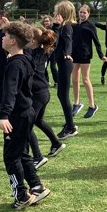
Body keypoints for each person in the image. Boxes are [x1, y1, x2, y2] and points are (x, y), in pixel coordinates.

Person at [0, 21, 50, 210]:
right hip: (27, 112)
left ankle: (21, 194)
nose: (2, 38)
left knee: (11, 157)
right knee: (21, 153)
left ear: (12, 41)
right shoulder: (25, 58)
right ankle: (36, 186)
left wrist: (4, 115)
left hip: (17, 116)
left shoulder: (15, 64)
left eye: (5, 36)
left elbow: (10, 92)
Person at [26, 27, 65, 168]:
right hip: (43, 92)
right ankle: (56, 143)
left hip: (38, 93)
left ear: (32, 41)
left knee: (26, 125)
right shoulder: (43, 50)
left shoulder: (30, 52)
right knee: (38, 121)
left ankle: (38, 157)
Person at [71, 4, 106, 119]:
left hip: (85, 55)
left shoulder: (91, 25)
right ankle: (76, 103)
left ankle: (92, 105)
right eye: (80, 12)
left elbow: (96, 42)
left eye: (84, 12)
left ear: (88, 14)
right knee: (74, 79)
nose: (82, 14)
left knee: (85, 79)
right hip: (74, 54)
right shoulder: (74, 24)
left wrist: (101, 55)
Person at [51, 1, 78, 139]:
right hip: (61, 62)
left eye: (56, 11)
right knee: (61, 94)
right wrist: (55, 25)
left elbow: (68, 41)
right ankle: (69, 123)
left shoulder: (66, 26)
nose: (54, 13)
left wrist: (68, 53)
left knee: (63, 95)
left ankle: (70, 127)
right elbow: (52, 39)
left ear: (62, 13)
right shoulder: (59, 26)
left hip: (65, 62)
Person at [41, 15, 58, 85]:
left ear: (50, 21)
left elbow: (56, 40)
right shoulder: (42, 30)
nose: (46, 22)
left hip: (53, 51)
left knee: (53, 66)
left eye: (47, 21)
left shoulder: (53, 29)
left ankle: (57, 82)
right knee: (44, 66)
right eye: (45, 21)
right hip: (45, 51)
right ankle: (46, 81)